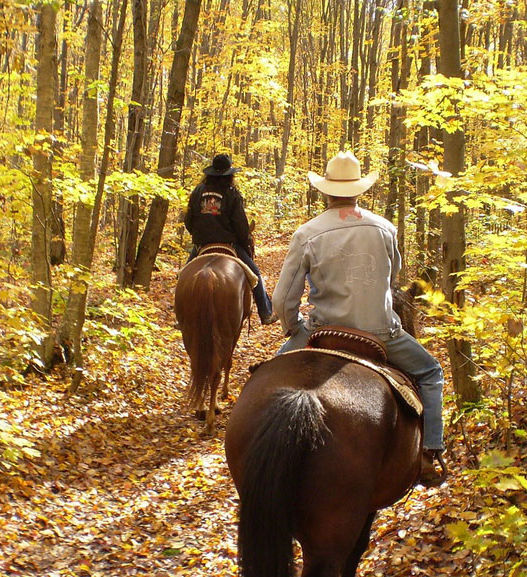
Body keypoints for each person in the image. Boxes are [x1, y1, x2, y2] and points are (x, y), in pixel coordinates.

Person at [271, 151, 446, 486]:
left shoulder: (308, 232)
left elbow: (282, 299)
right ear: (358, 190)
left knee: (268, 374)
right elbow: (391, 277)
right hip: (381, 332)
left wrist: (294, 328)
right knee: (430, 372)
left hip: (324, 328)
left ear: (325, 191)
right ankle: (430, 452)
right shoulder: (385, 228)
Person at [184, 153, 277, 325]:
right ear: (229, 174)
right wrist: (245, 240)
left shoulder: (197, 192)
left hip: (202, 246)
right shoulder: (232, 193)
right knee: (255, 275)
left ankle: (181, 315)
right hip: (229, 244)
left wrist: (200, 238)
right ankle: (266, 312)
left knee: (183, 277)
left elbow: (188, 221)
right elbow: (241, 226)